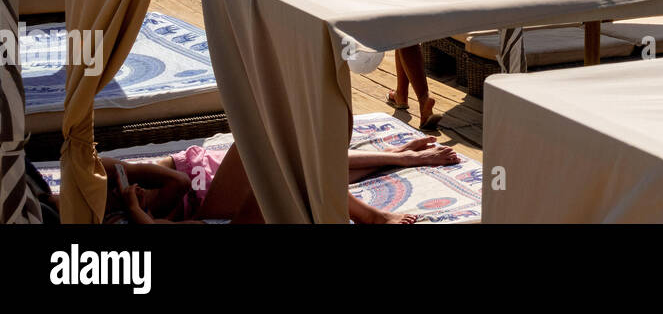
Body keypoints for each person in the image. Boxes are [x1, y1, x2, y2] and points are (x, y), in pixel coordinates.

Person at [102, 134, 458, 224]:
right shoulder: (115, 217)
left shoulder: (100, 176)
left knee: (296, 160)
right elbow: (176, 191)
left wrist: (122, 179)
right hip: (207, 202)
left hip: (202, 169)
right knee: (267, 147)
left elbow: (173, 175)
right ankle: (371, 214)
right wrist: (135, 204)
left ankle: (398, 157)